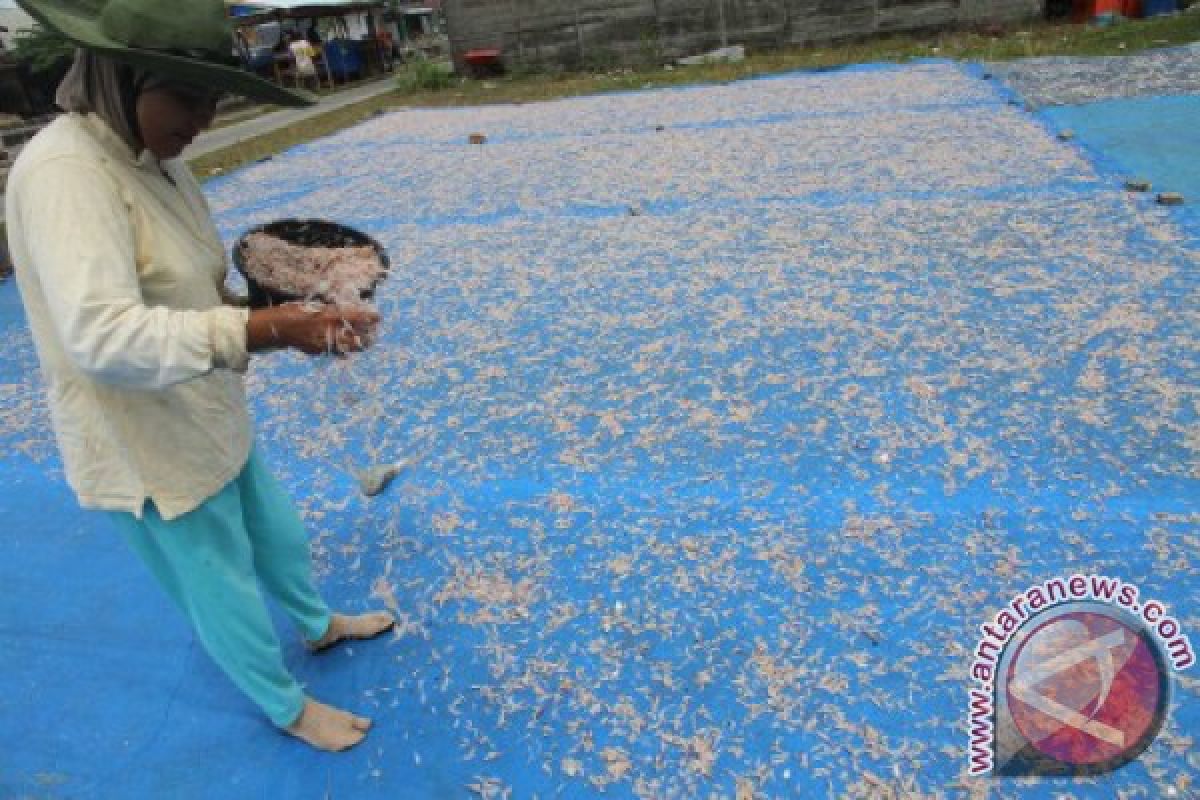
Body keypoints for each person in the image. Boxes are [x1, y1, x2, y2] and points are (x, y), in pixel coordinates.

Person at [7, 0, 392, 752]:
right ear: (122, 78)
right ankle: (283, 704)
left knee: (275, 533)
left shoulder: (156, 161)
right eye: (187, 97)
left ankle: (315, 626)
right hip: (143, 433)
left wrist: (289, 320)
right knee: (217, 578)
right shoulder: (66, 173)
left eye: (215, 98)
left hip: (204, 401)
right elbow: (100, 335)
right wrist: (266, 327)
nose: (204, 119)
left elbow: (190, 294)